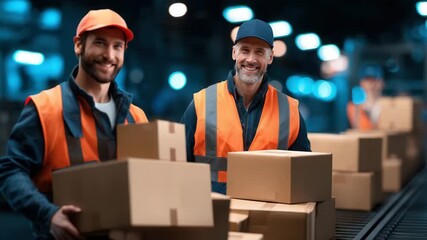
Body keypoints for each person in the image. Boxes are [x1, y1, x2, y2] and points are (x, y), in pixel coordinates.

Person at [0, 9, 148, 240]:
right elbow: (11, 171)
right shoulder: (45, 107)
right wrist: (48, 215)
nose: (109, 55)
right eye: (100, 43)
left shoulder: (137, 118)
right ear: (78, 45)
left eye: (117, 46)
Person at [180, 19, 311, 194]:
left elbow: (305, 176)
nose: (251, 59)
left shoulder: (289, 110)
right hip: (209, 212)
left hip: (266, 214)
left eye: (259, 52)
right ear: (234, 53)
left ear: (270, 57)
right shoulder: (201, 102)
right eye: (245, 50)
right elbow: (178, 164)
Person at [347, 63, 384, 130]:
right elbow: (362, 129)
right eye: (367, 80)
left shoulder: (389, 105)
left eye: (373, 80)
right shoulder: (354, 107)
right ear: (361, 83)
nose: (370, 84)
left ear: (381, 82)